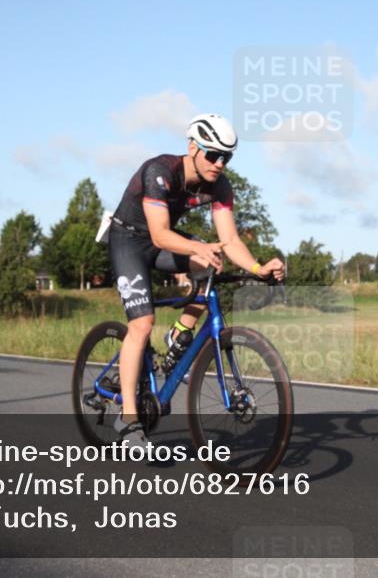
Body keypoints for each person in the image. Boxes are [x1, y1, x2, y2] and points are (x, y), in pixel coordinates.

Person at [107, 113, 285, 448]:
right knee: (142, 324)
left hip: (163, 241)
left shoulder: (220, 185)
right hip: (129, 241)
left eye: (226, 157)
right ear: (192, 147)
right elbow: (160, 235)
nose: (219, 163)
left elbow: (229, 240)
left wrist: (258, 267)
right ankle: (128, 420)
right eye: (213, 154)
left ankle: (180, 332)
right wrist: (198, 247)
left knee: (211, 261)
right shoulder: (160, 171)